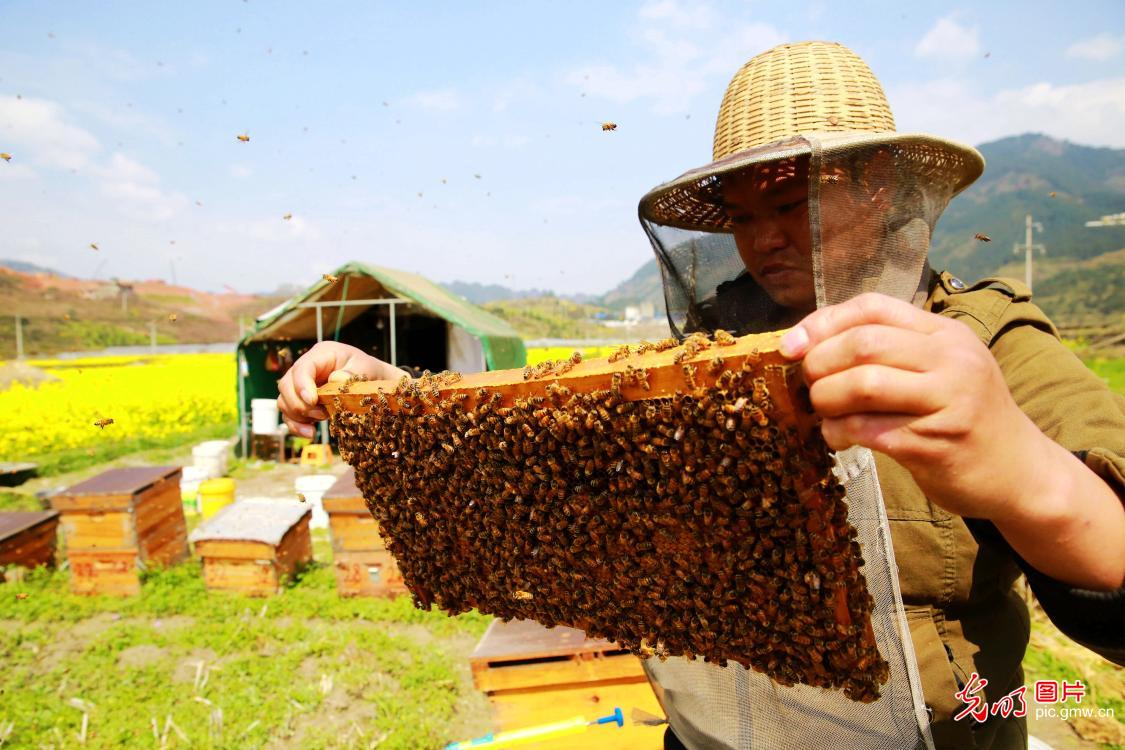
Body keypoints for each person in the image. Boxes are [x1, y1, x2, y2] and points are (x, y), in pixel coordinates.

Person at [278, 41, 1124, 750]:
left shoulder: (987, 339)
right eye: (741, 215)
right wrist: (398, 400)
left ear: (878, 187)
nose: (762, 240)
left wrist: (1021, 470)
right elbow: (556, 433)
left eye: (790, 202)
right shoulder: (696, 358)